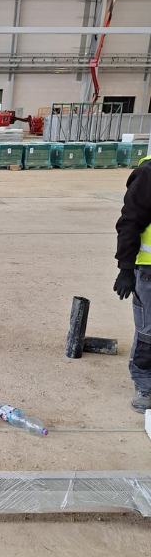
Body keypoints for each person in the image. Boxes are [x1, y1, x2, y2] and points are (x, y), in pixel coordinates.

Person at [114, 153, 151, 411]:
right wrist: (126, 268)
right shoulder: (148, 173)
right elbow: (129, 222)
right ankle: (145, 386)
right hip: (149, 270)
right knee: (148, 333)